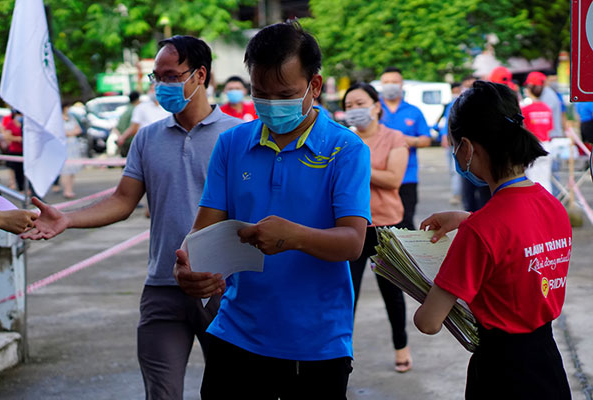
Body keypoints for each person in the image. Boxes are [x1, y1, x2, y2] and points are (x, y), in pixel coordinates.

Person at [22, 35, 242, 400]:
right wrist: (66, 218)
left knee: (229, 391)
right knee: (161, 393)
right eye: (156, 78)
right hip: (162, 287)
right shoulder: (148, 139)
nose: (161, 86)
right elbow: (123, 201)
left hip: (221, 287)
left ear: (200, 75)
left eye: (171, 76)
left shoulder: (237, 136)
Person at [173, 21, 371, 399]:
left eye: (284, 94)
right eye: (261, 93)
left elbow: (352, 242)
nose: (271, 105)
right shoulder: (232, 144)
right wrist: (186, 269)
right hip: (235, 335)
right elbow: (200, 237)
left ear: (314, 86)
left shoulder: (346, 150)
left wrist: (293, 236)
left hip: (315, 344)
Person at [414, 81, 571, 399]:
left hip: (501, 376)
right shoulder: (553, 205)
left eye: (454, 145)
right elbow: (520, 238)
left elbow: (428, 322)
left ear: (468, 148)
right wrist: (468, 219)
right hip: (548, 367)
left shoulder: (481, 231)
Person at [342, 82, 412, 372]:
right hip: (352, 226)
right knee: (347, 292)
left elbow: (394, 179)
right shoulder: (344, 139)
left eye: (359, 103)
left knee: (392, 293)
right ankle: (340, 351)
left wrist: (356, 162)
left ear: (376, 106)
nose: (354, 110)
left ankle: (401, 346)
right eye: (348, 107)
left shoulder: (394, 137)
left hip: (387, 226)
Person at [379, 67, 431, 229]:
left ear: (401, 85)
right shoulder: (374, 110)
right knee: (378, 226)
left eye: (394, 82)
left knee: (405, 223)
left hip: (407, 177)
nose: (390, 86)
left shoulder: (413, 111)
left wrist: (406, 140)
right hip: (378, 177)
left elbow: (426, 140)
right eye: (386, 82)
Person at [522, 75, 554, 193]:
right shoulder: (546, 108)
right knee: (545, 180)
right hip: (546, 145)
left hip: (532, 147)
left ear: (529, 88)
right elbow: (549, 128)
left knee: (532, 180)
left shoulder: (525, 109)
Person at [59, 102, 84, 199]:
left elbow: (79, 130)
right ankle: (66, 190)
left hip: (73, 145)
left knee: (72, 168)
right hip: (65, 146)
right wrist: (71, 133)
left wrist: (70, 133)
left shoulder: (72, 118)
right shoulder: (58, 119)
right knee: (65, 169)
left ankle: (70, 189)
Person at [0, 110, 24, 191]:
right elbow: (6, 136)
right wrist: (17, 139)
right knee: (17, 170)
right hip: (14, 150)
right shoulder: (10, 124)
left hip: (24, 151)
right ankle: (20, 188)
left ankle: (25, 188)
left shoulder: (24, 124)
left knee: (24, 170)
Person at [116, 91, 141, 157]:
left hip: (123, 142)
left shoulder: (126, 110)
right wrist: (123, 138)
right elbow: (132, 128)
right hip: (130, 142)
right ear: (138, 99)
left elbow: (116, 127)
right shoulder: (136, 110)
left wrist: (120, 138)